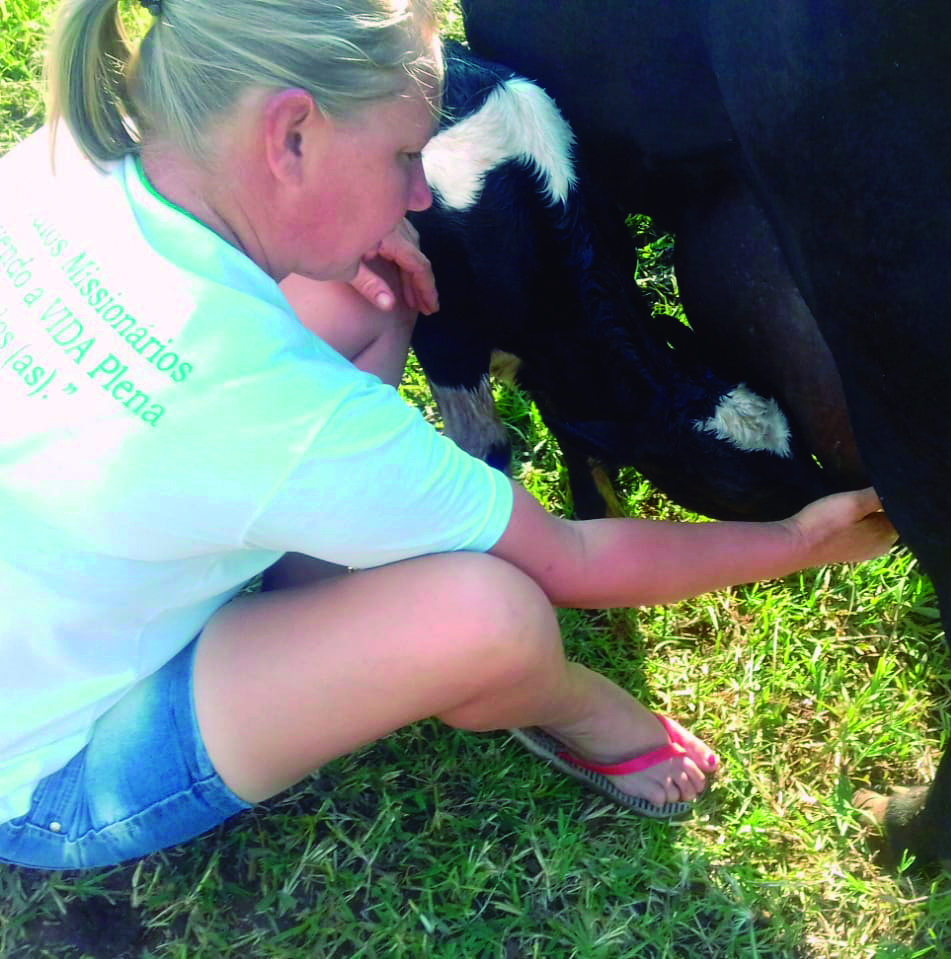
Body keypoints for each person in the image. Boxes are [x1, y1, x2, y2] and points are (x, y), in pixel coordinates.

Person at [0, 0, 897, 871]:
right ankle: (582, 713)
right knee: (490, 616)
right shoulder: (283, 411)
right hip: (50, 771)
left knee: (373, 287)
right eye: (402, 155)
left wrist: (351, 226)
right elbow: (570, 562)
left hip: (63, 598)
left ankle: (275, 581)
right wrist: (792, 540)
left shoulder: (61, 155)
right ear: (291, 137)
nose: (421, 190)